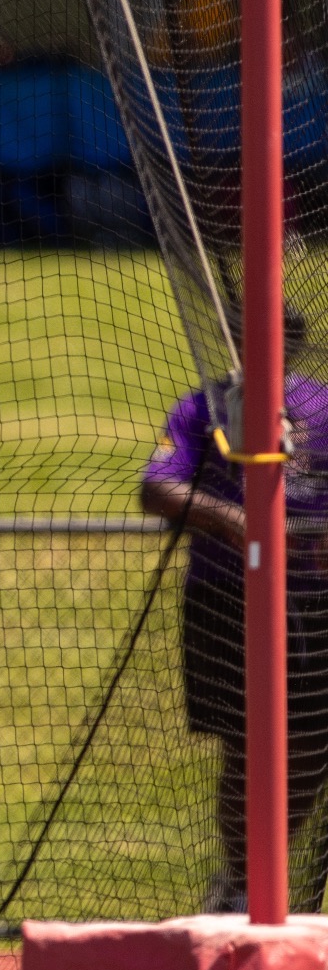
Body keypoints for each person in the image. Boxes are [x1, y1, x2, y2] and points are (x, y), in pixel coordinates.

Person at [140, 314, 328, 913]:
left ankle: (266, 869)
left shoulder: (321, 407)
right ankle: (239, 881)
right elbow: (156, 488)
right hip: (226, 594)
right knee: (243, 744)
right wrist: (238, 522)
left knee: (309, 743)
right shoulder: (203, 408)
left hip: (311, 597)